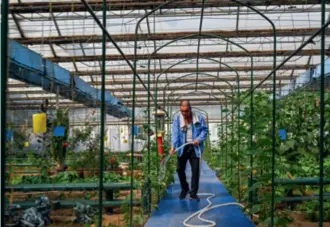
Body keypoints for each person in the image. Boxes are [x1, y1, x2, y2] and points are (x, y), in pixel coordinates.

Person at [170, 100, 208, 201]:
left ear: (190, 109)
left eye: (186, 111)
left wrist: (198, 139)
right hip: (182, 147)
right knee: (179, 169)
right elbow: (175, 133)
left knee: (195, 171)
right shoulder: (177, 120)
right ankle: (185, 188)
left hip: (195, 147)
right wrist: (173, 146)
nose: (184, 114)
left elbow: (205, 131)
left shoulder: (199, 118)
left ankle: (193, 193)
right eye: (182, 111)